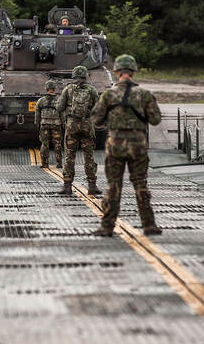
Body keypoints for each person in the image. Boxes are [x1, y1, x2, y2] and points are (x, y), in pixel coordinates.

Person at [90, 54, 162, 236]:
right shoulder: (144, 94)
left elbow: (96, 120)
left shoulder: (108, 94)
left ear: (116, 72)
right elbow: (155, 120)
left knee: (113, 185)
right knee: (140, 184)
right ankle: (148, 224)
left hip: (115, 144)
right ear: (133, 72)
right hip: (138, 145)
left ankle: (107, 226)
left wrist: (111, 120)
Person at [56, 65, 101, 196]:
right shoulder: (91, 90)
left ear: (74, 76)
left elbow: (59, 107)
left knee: (70, 156)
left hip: (72, 125)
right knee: (89, 156)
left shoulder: (68, 89)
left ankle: (67, 186)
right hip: (87, 125)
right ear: (85, 76)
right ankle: (92, 186)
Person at [35, 80, 64, 168]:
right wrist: (63, 123)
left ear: (46, 88)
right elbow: (62, 112)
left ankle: (45, 163)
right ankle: (59, 163)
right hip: (56, 124)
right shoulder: (59, 100)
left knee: (44, 144)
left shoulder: (41, 100)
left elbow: (37, 113)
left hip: (44, 124)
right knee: (57, 144)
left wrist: (37, 123)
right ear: (54, 88)